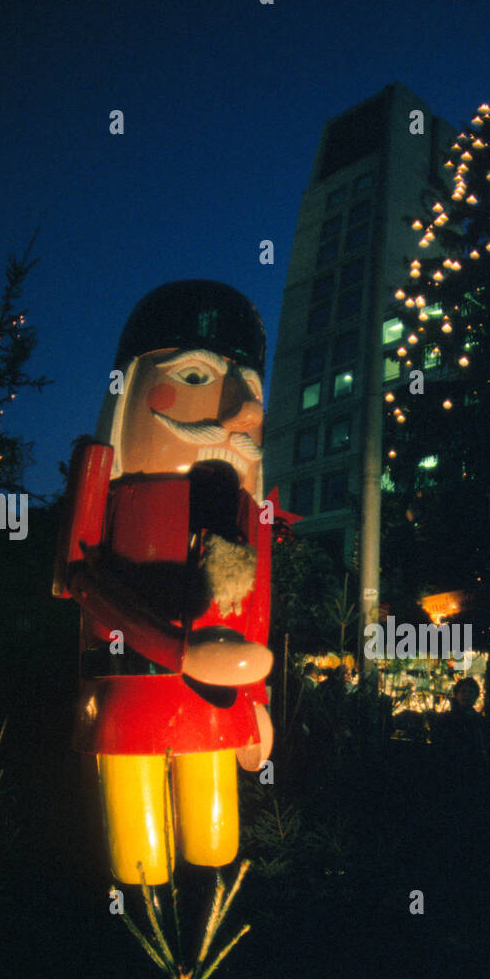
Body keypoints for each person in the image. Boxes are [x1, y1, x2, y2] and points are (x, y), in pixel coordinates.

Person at [53, 279, 299, 884]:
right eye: (195, 377)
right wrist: (177, 650)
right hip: (130, 691)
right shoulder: (107, 490)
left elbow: (256, 610)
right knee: (139, 857)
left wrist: (258, 701)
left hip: (215, 707)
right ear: (130, 390)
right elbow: (80, 580)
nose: (245, 413)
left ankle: (190, 946)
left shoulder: (250, 515)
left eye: (252, 391)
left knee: (214, 842)